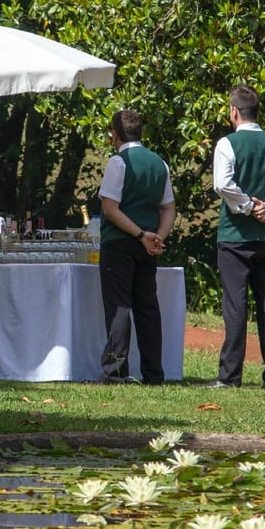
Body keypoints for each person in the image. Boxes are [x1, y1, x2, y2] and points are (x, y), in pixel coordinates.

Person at [209, 85, 265, 389]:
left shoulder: (227, 143)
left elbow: (223, 184)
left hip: (235, 234)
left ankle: (230, 375)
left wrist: (249, 206)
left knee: (236, 305)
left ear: (234, 111)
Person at [96, 109, 176, 385]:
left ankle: (116, 371)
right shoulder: (159, 163)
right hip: (147, 245)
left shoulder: (119, 162)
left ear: (114, 135)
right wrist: (158, 237)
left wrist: (141, 234)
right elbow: (169, 208)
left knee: (119, 305)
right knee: (147, 307)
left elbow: (110, 208)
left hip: (120, 242)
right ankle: (153, 372)